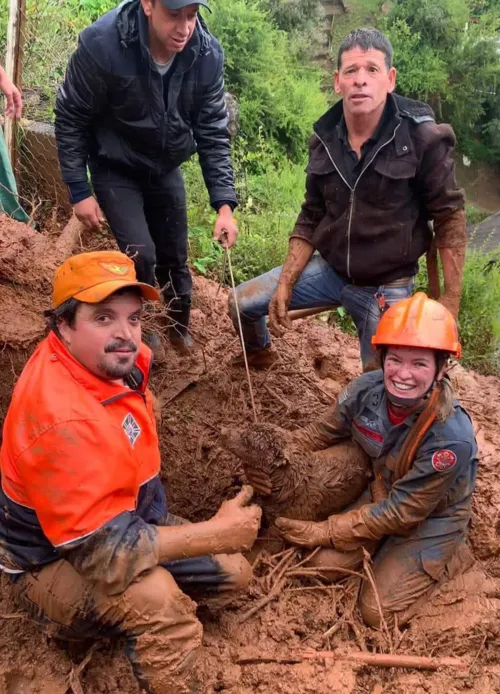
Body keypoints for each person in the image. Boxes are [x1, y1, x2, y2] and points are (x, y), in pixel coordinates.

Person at [0, 251, 261, 694]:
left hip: (125, 520)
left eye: (133, 318)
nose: (125, 334)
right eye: (103, 318)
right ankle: (72, 620)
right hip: (54, 559)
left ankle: (120, 617)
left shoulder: (115, 358)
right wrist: (216, 532)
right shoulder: (62, 421)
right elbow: (103, 553)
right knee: (161, 603)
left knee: (234, 574)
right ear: (63, 323)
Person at [229, 28, 466, 372]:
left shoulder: (422, 138)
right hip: (331, 271)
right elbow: (311, 215)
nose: (360, 81)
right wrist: (286, 281)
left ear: (390, 79)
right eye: (351, 71)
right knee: (240, 303)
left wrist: (450, 302)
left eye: (371, 69)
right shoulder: (324, 139)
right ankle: (259, 355)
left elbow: (450, 218)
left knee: (382, 380)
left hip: (387, 286)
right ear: (337, 81)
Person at [252, 293, 477, 628]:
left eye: (419, 364)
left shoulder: (450, 437)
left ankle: (451, 557)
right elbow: (318, 435)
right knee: (320, 567)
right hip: (383, 488)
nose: (403, 374)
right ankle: (377, 543)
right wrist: (270, 459)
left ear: (441, 369)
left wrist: (327, 529)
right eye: (395, 360)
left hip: (431, 515)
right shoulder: (365, 390)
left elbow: (404, 512)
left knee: (376, 613)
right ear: (382, 357)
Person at [55, 0, 238, 354]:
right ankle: (144, 328)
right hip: (115, 164)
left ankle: (178, 327)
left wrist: (225, 204)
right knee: (141, 254)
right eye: (174, 15)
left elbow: (213, 132)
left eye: (192, 15)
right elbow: (71, 115)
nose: (185, 28)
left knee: (175, 255)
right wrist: (79, 189)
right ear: (149, 5)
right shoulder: (103, 44)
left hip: (164, 165)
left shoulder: (205, 54)